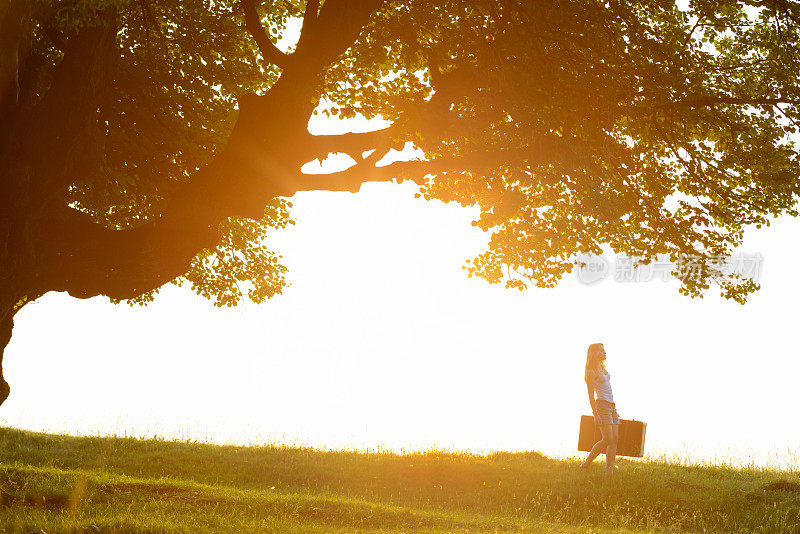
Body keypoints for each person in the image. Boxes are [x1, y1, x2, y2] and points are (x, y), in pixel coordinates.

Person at [580, 342, 620, 474]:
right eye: (601, 351)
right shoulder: (591, 372)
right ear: (594, 354)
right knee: (607, 439)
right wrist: (595, 414)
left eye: (604, 350)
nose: (604, 353)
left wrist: (613, 407)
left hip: (611, 405)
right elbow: (591, 395)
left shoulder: (602, 367)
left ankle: (609, 471)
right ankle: (585, 464)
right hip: (601, 405)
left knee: (614, 439)